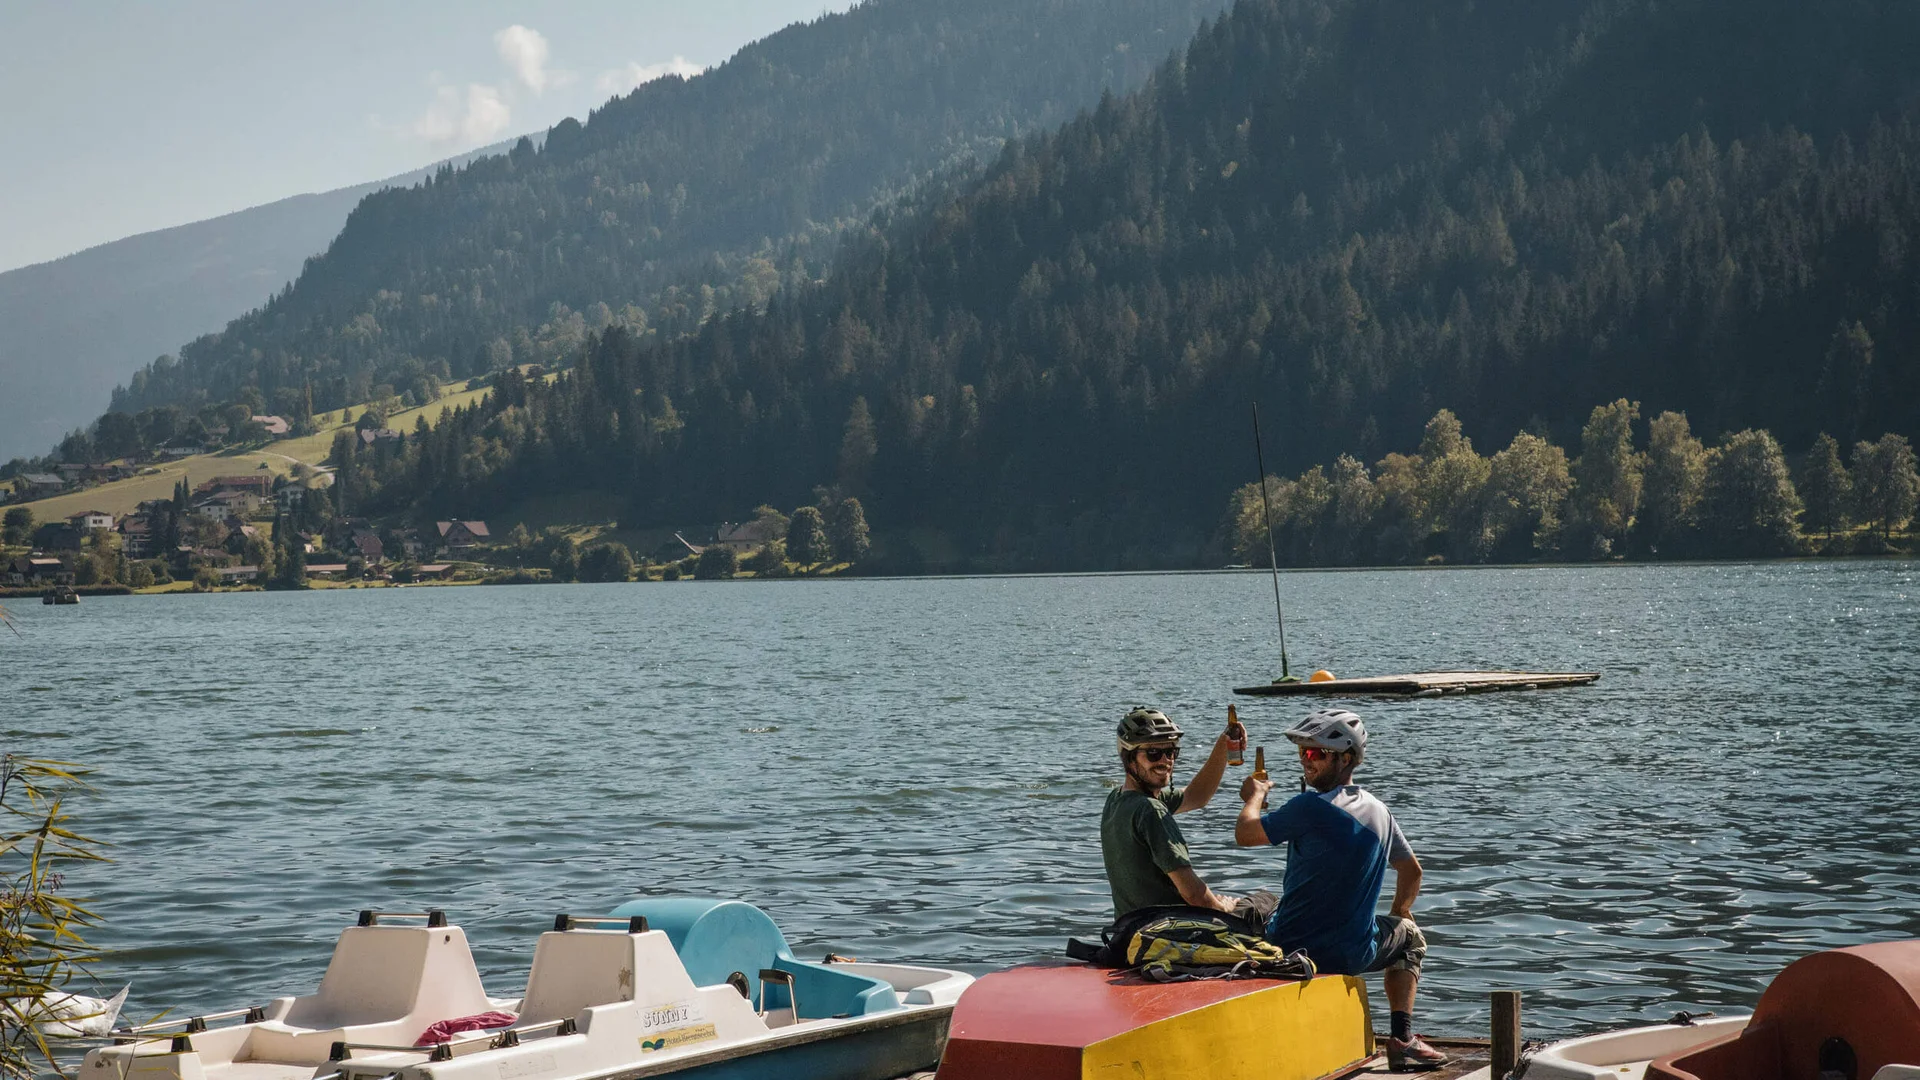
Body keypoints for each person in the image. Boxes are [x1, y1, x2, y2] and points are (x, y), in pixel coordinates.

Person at [1235, 708, 1447, 1071]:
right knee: (1409, 939)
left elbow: (1245, 834)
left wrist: (1254, 795)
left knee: (1255, 902)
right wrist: (1400, 911)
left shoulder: (1308, 807)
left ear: (1346, 759)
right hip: (1353, 953)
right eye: (1302, 753)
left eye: (1316, 753)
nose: (1306, 761)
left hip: (1290, 946)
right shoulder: (1380, 812)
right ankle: (1402, 1039)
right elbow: (1411, 871)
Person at [1100, 706, 1246, 919]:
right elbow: (1194, 895)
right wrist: (1224, 908)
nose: (1165, 761)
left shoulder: (1117, 800)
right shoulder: (1150, 809)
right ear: (1129, 757)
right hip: (1171, 931)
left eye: (1171, 752)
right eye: (1153, 753)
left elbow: (1196, 796)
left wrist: (1224, 746)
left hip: (1131, 932)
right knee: (1264, 902)